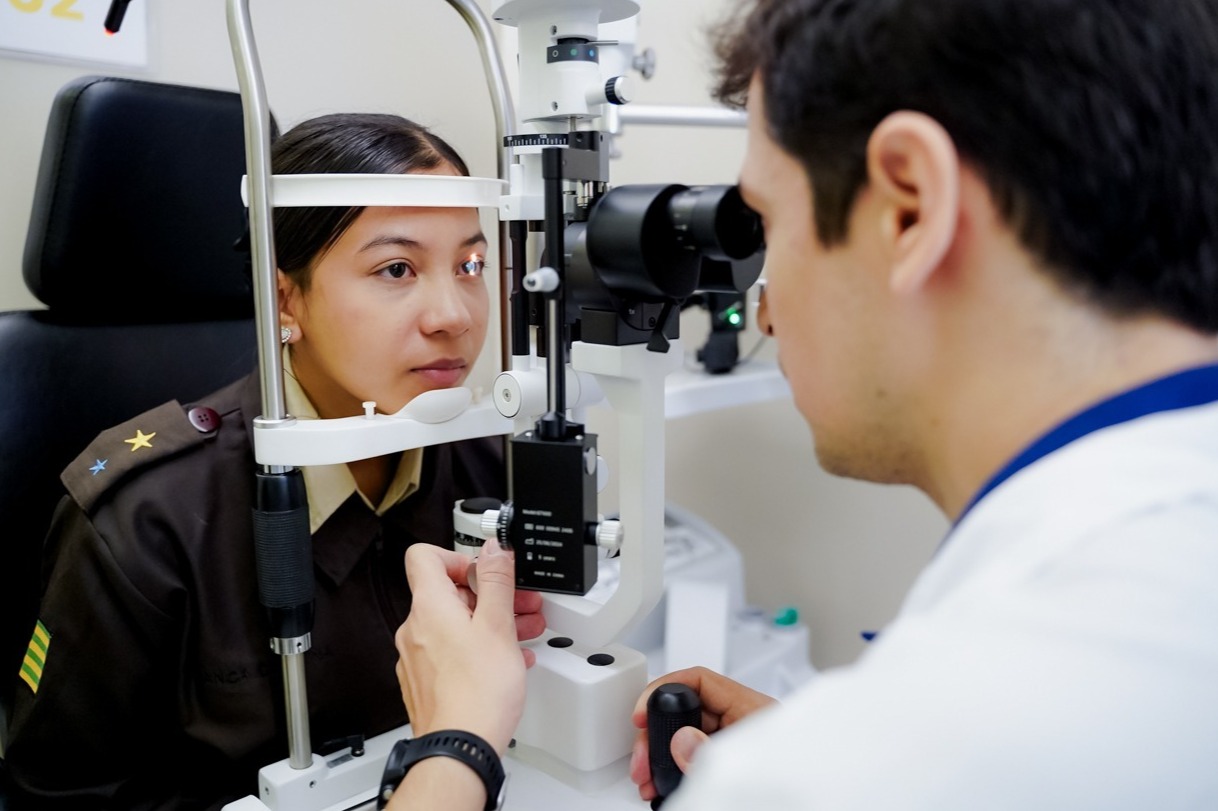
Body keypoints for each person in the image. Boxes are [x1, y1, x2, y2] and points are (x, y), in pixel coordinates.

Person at [387, 0, 1218, 808]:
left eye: (769, 222)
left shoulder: (877, 761)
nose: (768, 307)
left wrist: (453, 745)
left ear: (909, 206)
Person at [4, 112, 538, 810]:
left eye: (470, 264)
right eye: (397, 268)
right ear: (285, 297)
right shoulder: (147, 519)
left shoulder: (487, 455)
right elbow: (57, 797)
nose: (454, 314)